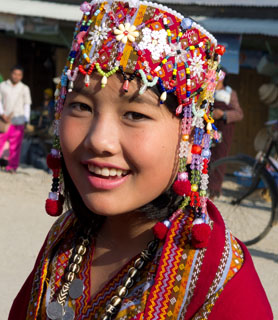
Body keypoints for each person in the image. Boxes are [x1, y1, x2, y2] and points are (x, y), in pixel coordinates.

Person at [9, 1, 272, 319]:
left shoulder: (221, 284)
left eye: (135, 114)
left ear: (189, 136)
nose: (99, 140)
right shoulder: (66, 237)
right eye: (80, 106)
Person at [209, 68, 244, 199]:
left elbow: (239, 114)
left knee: (219, 159)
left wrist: (223, 114)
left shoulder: (230, 93)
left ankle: (213, 191)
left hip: (222, 131)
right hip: (208, 129)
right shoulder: (207, 90)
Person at [0, 65, 32, 173]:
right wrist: (2, 114)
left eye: (19, 75)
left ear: (22, 76)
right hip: (4, 121)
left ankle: (12, 167)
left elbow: (27, 105)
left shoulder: (24, 88)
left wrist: (26, 120)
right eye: (15, 74)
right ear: (11, 73)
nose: (16, 76)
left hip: (19, 121)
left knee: (15, 147)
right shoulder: (2, 86)